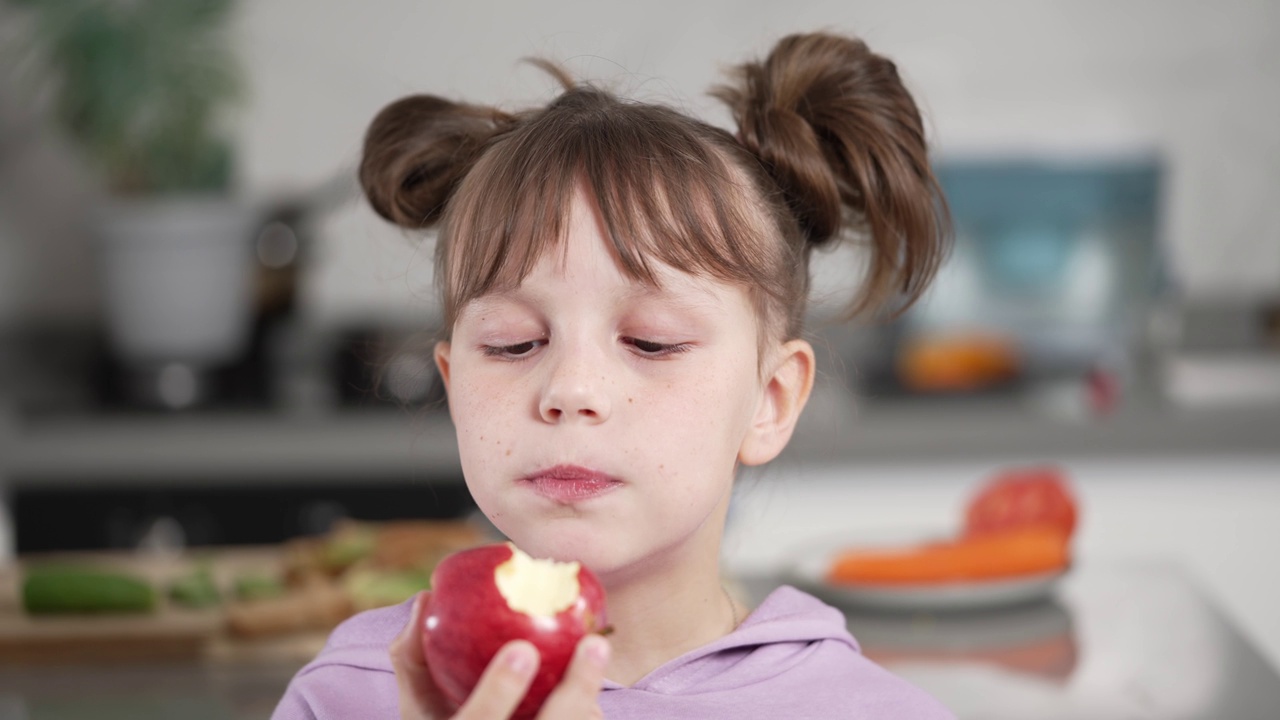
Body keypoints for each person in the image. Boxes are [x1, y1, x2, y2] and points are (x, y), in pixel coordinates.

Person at [274, 31, 954, 719]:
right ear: (453, 388)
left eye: (652, 343)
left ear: (770, 400)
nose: (571, 390)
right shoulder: (351, 693)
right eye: (513, 344)